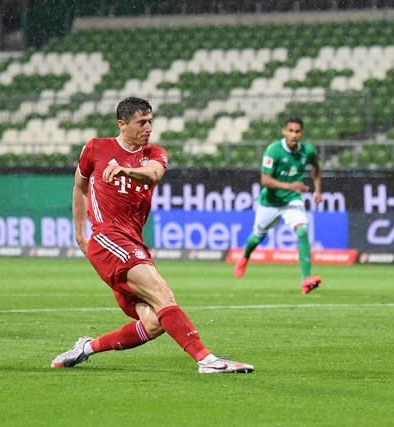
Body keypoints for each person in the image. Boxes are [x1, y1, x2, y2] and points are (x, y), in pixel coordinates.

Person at [52, 97, 254, 373]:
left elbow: (153, 175)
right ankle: (206, 360)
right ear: (122, 124)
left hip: (133, 241)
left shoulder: (154, 153)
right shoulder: (96, 148)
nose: (148, 127)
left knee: (154, 322)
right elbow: (80, 186)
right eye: (141, 122)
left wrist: (126, 170)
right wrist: (79, 235)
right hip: (109, 238)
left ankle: (86, 348)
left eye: (150, 121)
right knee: (163, 295)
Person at [233, 117, 323, 294]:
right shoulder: (273, 150)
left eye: (297, 132)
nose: (294, 135)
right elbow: (265, 180)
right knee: (257, 237)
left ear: (301, 133)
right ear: (284, 131)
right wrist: (291, 185)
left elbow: (316, 168)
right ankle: (244, 256)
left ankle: (306, 280)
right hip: (271, 202)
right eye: (291, 131)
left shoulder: (308, 151)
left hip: (292, 200)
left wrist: (317, 190)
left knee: (303, 231)